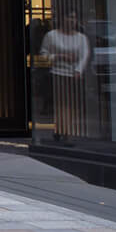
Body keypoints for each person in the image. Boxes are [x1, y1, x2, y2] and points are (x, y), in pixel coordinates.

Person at [40, 9, 90, 141]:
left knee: (71, 105)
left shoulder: (81, 38)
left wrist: (79, 70)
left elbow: (84, 56)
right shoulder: (51, 35)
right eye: (69, 17)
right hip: (57, 73)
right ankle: (64, 131)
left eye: (74, 18)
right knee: (61, 105)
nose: (72, 21)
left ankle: (63, 129)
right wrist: (59, 57)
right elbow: (44, 54)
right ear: (62, 19)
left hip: (74, 75)